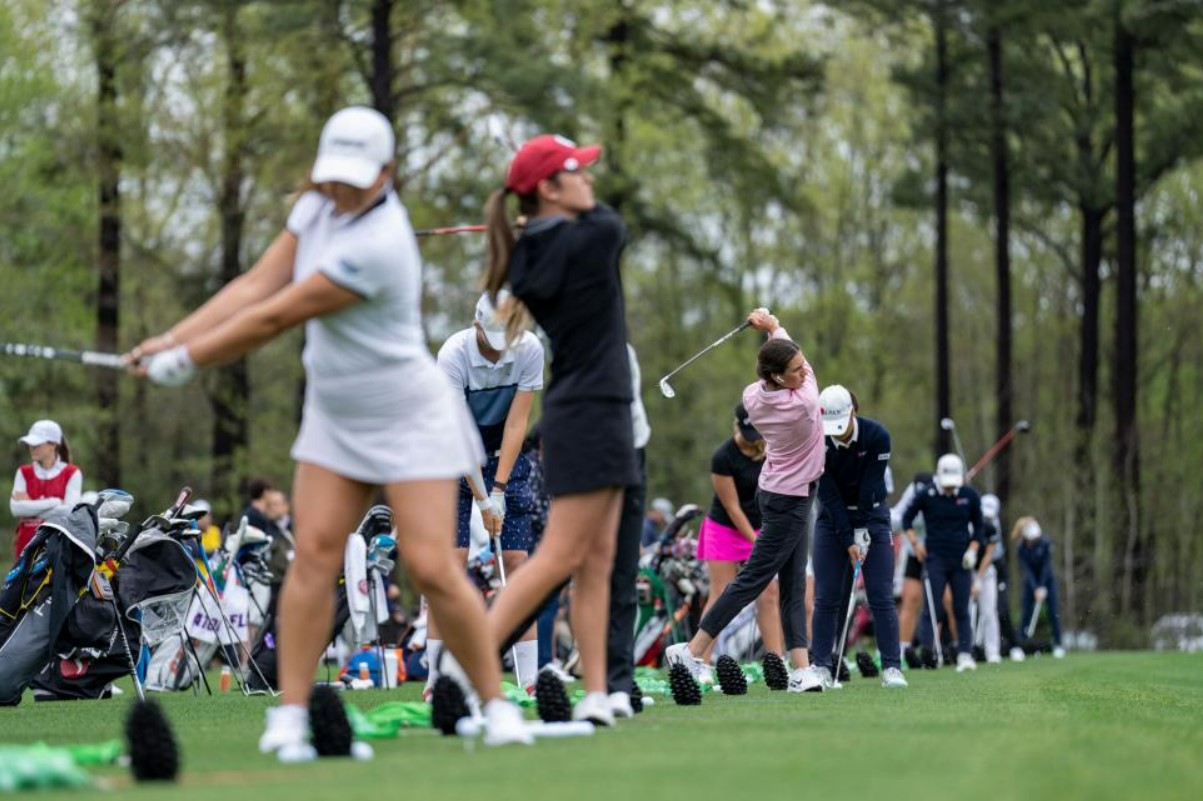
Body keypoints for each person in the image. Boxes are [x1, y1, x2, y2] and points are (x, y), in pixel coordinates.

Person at [127, 106, 527, 756]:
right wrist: (171, 337)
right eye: (332, 175)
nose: (339, 189)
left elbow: (275, 314)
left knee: (430, 564)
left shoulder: (382, 240)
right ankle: (289, 717)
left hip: (406, 414)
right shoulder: (315, 208)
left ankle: (496, 704)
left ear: (387, 173)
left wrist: (187, 359)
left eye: (354, 178)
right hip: (337, 415)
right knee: (312, 556)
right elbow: (258, 280)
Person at [478, 133, 638, 726]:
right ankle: (464, 668)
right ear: (549, 188)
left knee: (595, 559)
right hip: (592, 410)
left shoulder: (530, 254)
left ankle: (596, 694)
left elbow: (575, 222)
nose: (589, 181)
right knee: (559, 558)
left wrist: (540, 216)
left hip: (594, 408)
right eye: (578, 172)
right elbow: (609, 221)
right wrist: (548, 215)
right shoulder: (592, 236)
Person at [666, 308, 825, 693]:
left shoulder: (753, 396)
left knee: (791, 585)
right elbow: (797, 367)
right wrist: (771, 326)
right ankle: (691, 650)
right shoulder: (803, 402)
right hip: (789, 499)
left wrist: (771, 334)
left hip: (779, 491)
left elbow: (783, 358)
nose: (804, 371)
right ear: (778, 378)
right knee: (752, 581)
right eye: (796, 369)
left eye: (804, 365)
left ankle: (801, 670)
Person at [425, 290, 544, 695]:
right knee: (450, 564)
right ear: (476, 325)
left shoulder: (528, 348)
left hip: (501, 457)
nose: (498, 353)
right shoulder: (453, 355)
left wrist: (498, 489)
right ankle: (436, 679)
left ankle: (528, 678)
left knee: (516, 561)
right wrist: (481, 498)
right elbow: (459, 437)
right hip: (449, 456)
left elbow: (516, 425)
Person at [807, 385, 906, 689]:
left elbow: (870, 486)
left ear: (854, 412)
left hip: (873, 515)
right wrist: (849, 538)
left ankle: (891, 667)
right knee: (826, 597)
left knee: (880, 595)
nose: (836, 434)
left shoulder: (877, 436)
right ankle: (821, 665)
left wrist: (862, 530)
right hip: (831, 520)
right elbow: (829, 495)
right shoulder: (816, 440)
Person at [694, 402, 783, 667]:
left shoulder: (770, 451)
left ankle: (776, 661)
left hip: (759, 526)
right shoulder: (723, 456)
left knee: (768, 593)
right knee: (721, 592)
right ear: (737, 425)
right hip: (724, 528)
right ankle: (700, 659)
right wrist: (758, 543)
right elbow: (732, 507)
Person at [901, 454, 984, 672]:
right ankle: (929, 653)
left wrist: (973, 550)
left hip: (961, 560)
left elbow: (980, 528)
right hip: (934, 558)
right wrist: (915, 543)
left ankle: (965, 654)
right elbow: (906, 518)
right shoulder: (926, 494)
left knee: (960, 608)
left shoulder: (970, 495)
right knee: (932, 607)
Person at [606, 343, 651, 717]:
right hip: (583, 455)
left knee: (624, 577)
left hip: (630, 451)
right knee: (574, 569)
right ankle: (472, 665)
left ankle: (617, 683)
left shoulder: (624, 351)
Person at [10, 420, 83, 560]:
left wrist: (30, 507)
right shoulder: (23, 472)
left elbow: (69, 511)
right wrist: (55, 502)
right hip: (25, 546)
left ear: (53, 445)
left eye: (37, 444)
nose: (32, 448)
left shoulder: (72, 472)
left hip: (57, 547)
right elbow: (16, 509)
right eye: (30, 445)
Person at [892, 473, 931, 662]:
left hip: (937, 554)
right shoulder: (912, 495)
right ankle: (902, 649)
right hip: (914, 553)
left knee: (943, 602)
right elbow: (896, 520)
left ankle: (937, 650)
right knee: (911, 600)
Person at [1013, 516, 1065, 658]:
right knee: (1025, 613)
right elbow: (1027, 570)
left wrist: (1042, 586)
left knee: (1053, 612)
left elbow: (1046, 567)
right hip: (1031, 583)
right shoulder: (1021, 548)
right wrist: (1035, 587)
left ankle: (1058, 644)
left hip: (1047, 581)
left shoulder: (1045, 542)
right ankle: (1020, 646)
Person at [972, 493, 1004, 663]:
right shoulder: (969, 525)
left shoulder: (992, 528)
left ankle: (992, 652)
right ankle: (966, 650)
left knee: (989, 612)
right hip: (966, 570)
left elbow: (989, 555)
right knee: (966, 611)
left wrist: (978, 578)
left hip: (986, 573)